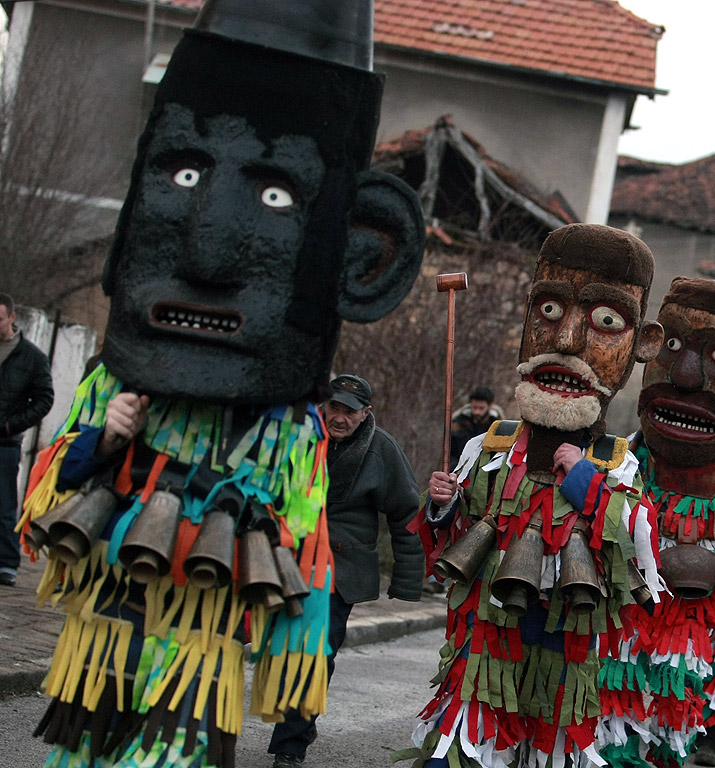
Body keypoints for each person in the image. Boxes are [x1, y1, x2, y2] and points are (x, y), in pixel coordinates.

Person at [16, 2, 425, 767]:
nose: (209, 247)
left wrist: (293, 666)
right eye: (183, 173)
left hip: (200, 653)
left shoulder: (291, 432)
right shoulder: (116, 386)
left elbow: (305, 552)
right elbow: (45, 509)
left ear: (364, 259)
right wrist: (106, 441)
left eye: (275, 198)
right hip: (104, 633)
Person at [397, 223, 664, 768]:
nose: (565, 342)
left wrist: (584, 479)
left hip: (565, 618)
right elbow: (452, 535)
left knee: (550, 726)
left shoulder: (616, 459)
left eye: (606, 324)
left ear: (641, 346)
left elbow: (639, 547)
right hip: (491, 614)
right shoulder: (489, 444)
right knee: (470, 725)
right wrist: (442, 503)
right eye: (546, 311)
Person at [603, 277, 715, 768]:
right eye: (671, 345)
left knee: (676, 692)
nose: (684, 374)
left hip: (695, 611)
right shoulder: (623, 460)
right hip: (627, 603)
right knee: (617, 686)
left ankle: (672, 750)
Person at [270, 374, 424, 767]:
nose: (339, 417)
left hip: (339, 569)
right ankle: (296, 723)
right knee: (275, 647)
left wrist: (408, 582)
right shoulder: (298, 437)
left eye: (349, 411)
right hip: (284, 556)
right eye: (334, 408)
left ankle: (291, 744)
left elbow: (407, 513)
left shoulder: (381, 449)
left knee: (317, 654)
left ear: (366, 413)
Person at [0, 292, 54, 587]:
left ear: (11, 317)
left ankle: (7, 563)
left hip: (5, 443)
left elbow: (44, 399)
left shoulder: (32, 357)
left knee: (5, 505)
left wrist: (11, 426)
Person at [448, 385, 502, 466]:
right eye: (474, 407)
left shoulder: (498, 427)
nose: (477, 412)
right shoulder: (459, 424)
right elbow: (451, 454)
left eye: (481, 408)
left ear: (490, 406)